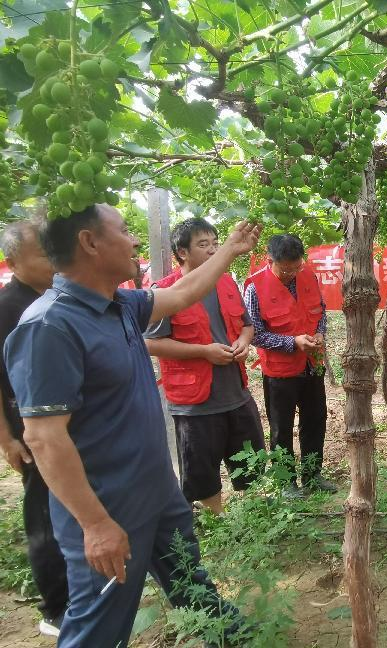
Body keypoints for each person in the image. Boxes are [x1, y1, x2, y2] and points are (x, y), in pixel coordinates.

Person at [3, 204, 260, 647]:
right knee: (99, 624)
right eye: (124, 231)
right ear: (90, 243)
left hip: (156, 489)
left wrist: (229, 250)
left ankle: (230, 635)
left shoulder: (119, 304)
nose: (135, 240)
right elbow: (44, 438)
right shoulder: (50, 326)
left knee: (188, 575)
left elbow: (182, 294)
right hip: (108, 505)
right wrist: (95, 524)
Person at [144, 218, 266, 515]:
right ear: (182, 252)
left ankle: (252, 518)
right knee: (201, 469)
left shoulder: (226, 283)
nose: (213, 250)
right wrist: (203, 352)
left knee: (250, 460)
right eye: (203, 244)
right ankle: (216, 519)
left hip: (235, 392)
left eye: (215, 243)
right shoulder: (165, 292)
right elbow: (150, 343)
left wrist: (243, 341)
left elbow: (247, 325)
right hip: (194, 402)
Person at [0, 220, 68, 637]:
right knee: (45, 516)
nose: (53, 261)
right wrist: (6, 438)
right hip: (30, 432)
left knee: (71, 507)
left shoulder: (55, 296)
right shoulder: (8, 307)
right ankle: (55, 607)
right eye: (43, 254)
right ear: (14, 262)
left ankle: (81, 588)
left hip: (64, 425)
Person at [243, 234, 336, 496]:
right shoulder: (255, 288)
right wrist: (292, 342)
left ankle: (312, 475)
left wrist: (319, 333)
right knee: (281, 427)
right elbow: (255, 334)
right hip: (279, 371)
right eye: (286, 269)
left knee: (315, 419)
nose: (292, 274)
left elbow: (321, 311)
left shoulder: (308, 277)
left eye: (296, 267)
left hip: (312, 363)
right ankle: (286, 482)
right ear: (270, 260)